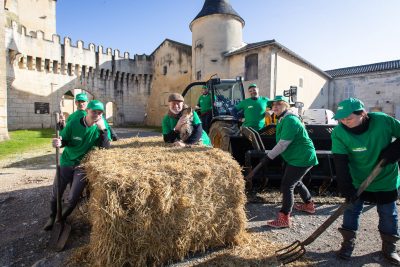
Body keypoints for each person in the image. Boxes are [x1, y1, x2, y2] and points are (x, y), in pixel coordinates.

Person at [331, 98, 400, 264]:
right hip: (358, 180)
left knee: (388, 214)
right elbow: (340, 162)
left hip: (385, 178)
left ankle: (389, 248)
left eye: (349, 118)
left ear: (362, 114)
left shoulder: (383, 121)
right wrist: (346, 188)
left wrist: (394, 150)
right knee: (351, 210)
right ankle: (348, 243)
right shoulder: (339, 133)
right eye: (341, 119)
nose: (344, 122)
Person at [43, 100, 111, 231]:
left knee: (73, 198)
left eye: (100, 112)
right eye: (94, 111)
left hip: (83, 166)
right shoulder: (74, 123)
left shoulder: (101, 127)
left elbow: (105, 148)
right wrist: (58, 143)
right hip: (67, 162)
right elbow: (64, 140)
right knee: (56, 192)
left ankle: (60, 219)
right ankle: (52, 217)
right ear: (87, 111)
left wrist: (103, 130)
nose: (97, 114)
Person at [263, 96, 318, 228]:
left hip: (302, 157)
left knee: (288, 185)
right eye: (273, 105)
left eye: (279, 104)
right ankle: (309, 205)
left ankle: (284, 218)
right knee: (296, 181)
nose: (275, 107)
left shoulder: (290, 120)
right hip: (298, 156)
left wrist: (268, 157)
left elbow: (283, 144)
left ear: (286, 106)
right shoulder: (283, 118)